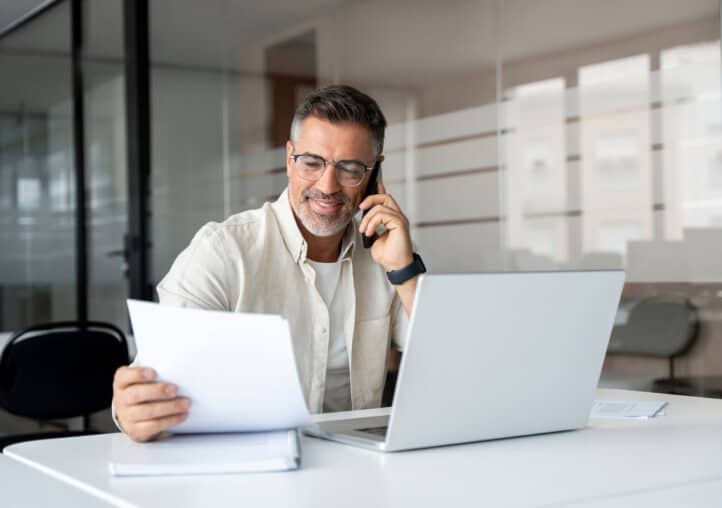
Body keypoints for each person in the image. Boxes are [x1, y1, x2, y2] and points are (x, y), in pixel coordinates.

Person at [112, 85, 427, 442]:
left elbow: (451, 366)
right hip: (250, 468)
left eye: (350, 169)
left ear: (373, 174)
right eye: (311, 163)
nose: (327, 186)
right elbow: (156, 377)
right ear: (289, 158)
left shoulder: (388, 255)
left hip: (360, 466)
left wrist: (404, 271)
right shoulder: (223, 251)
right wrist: (133, 409)